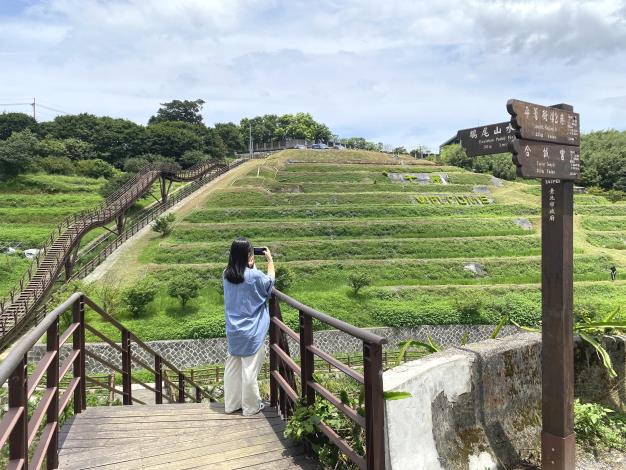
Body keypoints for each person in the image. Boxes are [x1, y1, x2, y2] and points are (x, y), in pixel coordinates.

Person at [222, 238, 275, 415]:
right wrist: (270, 261)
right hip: (251, 331)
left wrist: (250, 265)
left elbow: (247, 281)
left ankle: (231, 405)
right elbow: (268, 283)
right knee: (249, 370)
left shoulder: (226, 274)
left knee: (233, 367)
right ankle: (250, 407)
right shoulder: (254, 275)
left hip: (233, 330)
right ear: (248, 255)